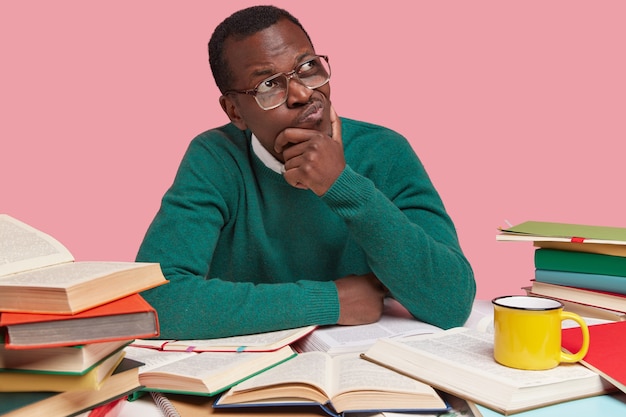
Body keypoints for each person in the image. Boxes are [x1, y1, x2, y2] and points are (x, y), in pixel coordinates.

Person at [136, 5, 476, 339]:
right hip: (249, 379)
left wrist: (342, 186)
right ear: (235, 112)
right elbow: (154, 301)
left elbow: (452, 301)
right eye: (269, 85)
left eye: (307, 67)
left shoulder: (384, 151)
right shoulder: (215, 159)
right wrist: (330, 301)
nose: (302, 93)